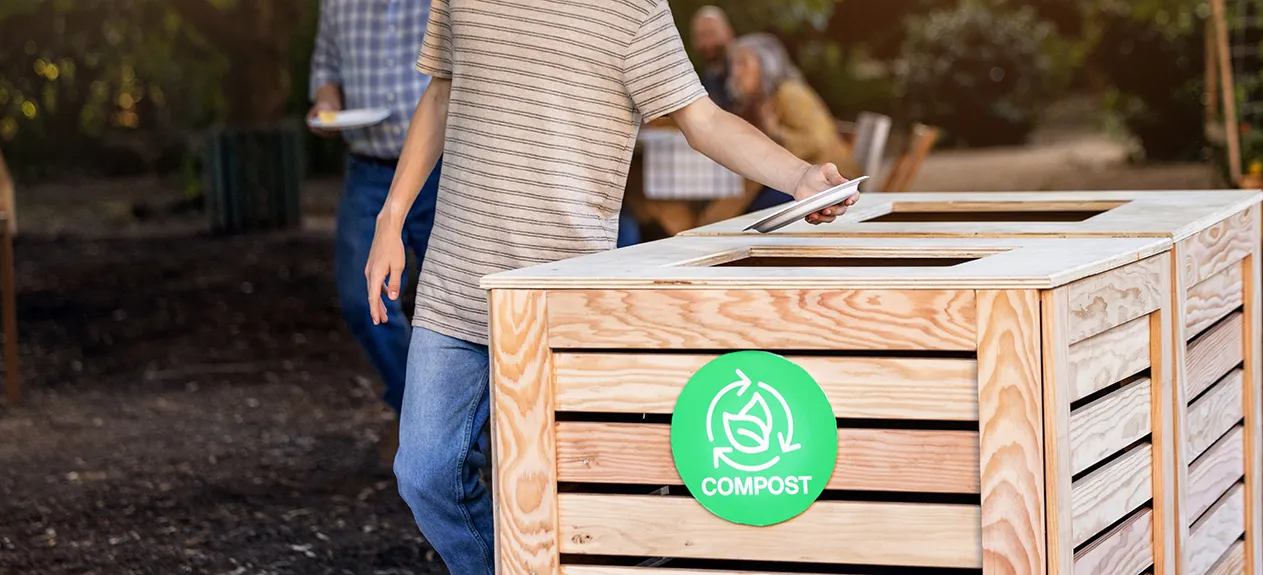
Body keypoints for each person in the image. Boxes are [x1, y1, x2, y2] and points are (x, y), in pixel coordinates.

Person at [363, 2, 855, 573]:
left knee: (571, 486)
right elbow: (442, 94)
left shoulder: (633, 9)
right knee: (425, 476)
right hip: (457, 279)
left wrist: (798, 177)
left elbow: (703, 119)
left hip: (562, 294)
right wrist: (390, 218)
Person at [306, 0, 443, 467]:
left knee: (462, 303)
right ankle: (425, 417)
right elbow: (326, 66)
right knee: (361, 299)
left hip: (442, 168)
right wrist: (326, 105)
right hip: (368, 170)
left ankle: (446, 427)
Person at [727, 33, 860, 213]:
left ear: (766, 65)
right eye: (734, 64)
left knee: (749, 208)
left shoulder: (790, 93)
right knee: (739, 200)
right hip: (799, 178)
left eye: (743, 63)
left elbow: (818, 141)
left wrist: (776, 133)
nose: (735, 72)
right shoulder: (760, 103)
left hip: (832, 182)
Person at [692, 5, 736, 110]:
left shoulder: (745, 72)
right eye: (702, 35)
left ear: (729, 33)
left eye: (712, 33)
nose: (708, 43)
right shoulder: (705, 81)